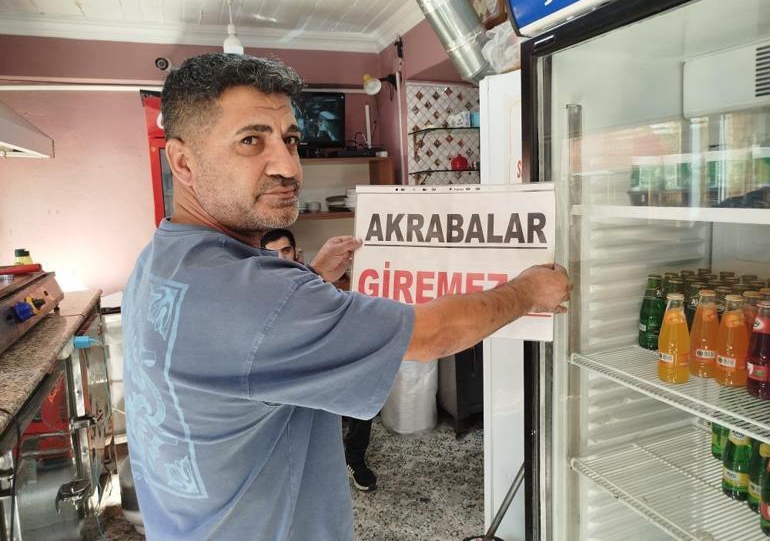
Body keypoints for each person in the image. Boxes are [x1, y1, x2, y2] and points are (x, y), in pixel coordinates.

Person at [122, 52, 570, 541]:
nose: (288, 166)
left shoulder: (160, 259)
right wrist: (527, 290)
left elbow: (247, 348)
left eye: (290, 140)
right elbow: (432, 335)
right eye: (251, 140)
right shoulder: (258, 299)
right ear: (183, 161)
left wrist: (312, 277)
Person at [262, 228, 378, 491]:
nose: (281, 258)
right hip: (286, 377)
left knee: (362, 383)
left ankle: (354, 456)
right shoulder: (257, 294)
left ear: (297, 253)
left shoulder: (316, 282)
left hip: (324, 362)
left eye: (286, 250)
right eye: (272, 254)